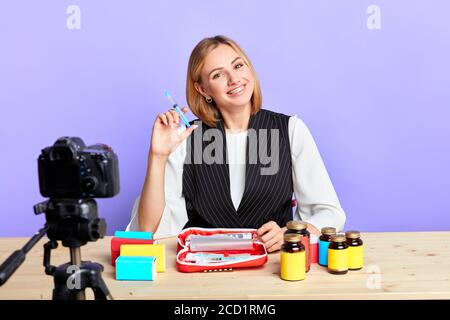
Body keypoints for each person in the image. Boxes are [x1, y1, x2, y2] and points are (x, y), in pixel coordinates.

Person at [127, 35, 346, 252]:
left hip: (275, 270)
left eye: (238, 66)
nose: (234, 79)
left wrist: (290, 234)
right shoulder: (186, 138)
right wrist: (157, 156)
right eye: (218, 75)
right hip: (204, 274)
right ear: (203, 90)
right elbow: (148, 229)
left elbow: (330, 213)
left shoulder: (290, 130)